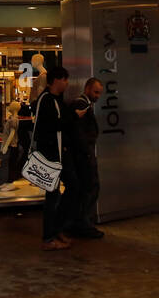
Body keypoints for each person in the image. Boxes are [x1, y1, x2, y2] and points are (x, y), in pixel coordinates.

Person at [34, 67, 73, 251]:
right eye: (65, 79)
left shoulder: (55, 100)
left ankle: (55, 230)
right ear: (56, 80)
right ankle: (49, 237)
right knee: (53, 195)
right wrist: (73, 117)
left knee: (70, 187)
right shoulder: (47, 100)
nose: (67, 83)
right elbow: (49, 126)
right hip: (51, 156)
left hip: (58, 154)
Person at [63, 78, 105, 240]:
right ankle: (83, 224)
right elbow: (80, 133)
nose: (98, 96)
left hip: (81, 155)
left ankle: (77, 222)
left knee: (85, 189)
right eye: (96, 92)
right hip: (83, 155)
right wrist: (87, 152)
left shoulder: (81, 104)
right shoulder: (81, 105)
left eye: (99, 93)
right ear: (87, 89)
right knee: (89, 188)